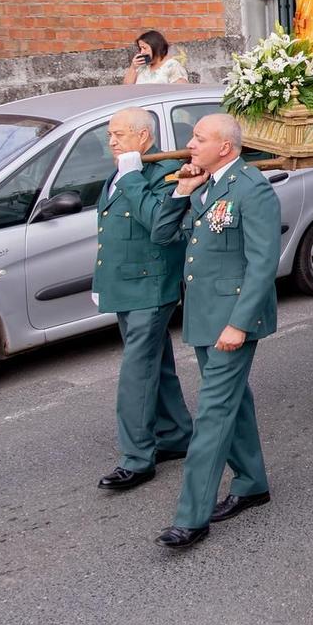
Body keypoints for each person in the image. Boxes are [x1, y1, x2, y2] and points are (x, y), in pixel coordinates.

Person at [150, 114, 278, 551]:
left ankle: (192, 517)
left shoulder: (250, 187)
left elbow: (262, 262)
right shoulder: (202, 184)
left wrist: (239, 324)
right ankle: (252, 483)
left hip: (231, 320)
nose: (190, 144)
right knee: (234, 401)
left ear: (225, 146)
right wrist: (180, 192)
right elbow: (163, 235)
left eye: (199, 138)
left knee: (212, 413)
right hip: (204, 316)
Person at [92, 109, 192, 493]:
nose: (112, 142)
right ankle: (177, 433)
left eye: (119, 134)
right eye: (110, 135)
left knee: (136, 373)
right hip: (125, 285)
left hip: (150, 287)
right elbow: (113, 228)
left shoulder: (160, 170)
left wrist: (133, 176)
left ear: (143, 136)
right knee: (156, 363)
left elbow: (159, 223)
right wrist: (102, 279)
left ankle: (137, 459)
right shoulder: (124, 168)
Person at [122, 30, 189, 85]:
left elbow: (180, 92)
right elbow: (127, 88)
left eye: (144, 48)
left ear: (156, 47)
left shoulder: (172, 66)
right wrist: (133, 68)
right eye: (140, 48)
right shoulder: (142, 67)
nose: (142, 52)